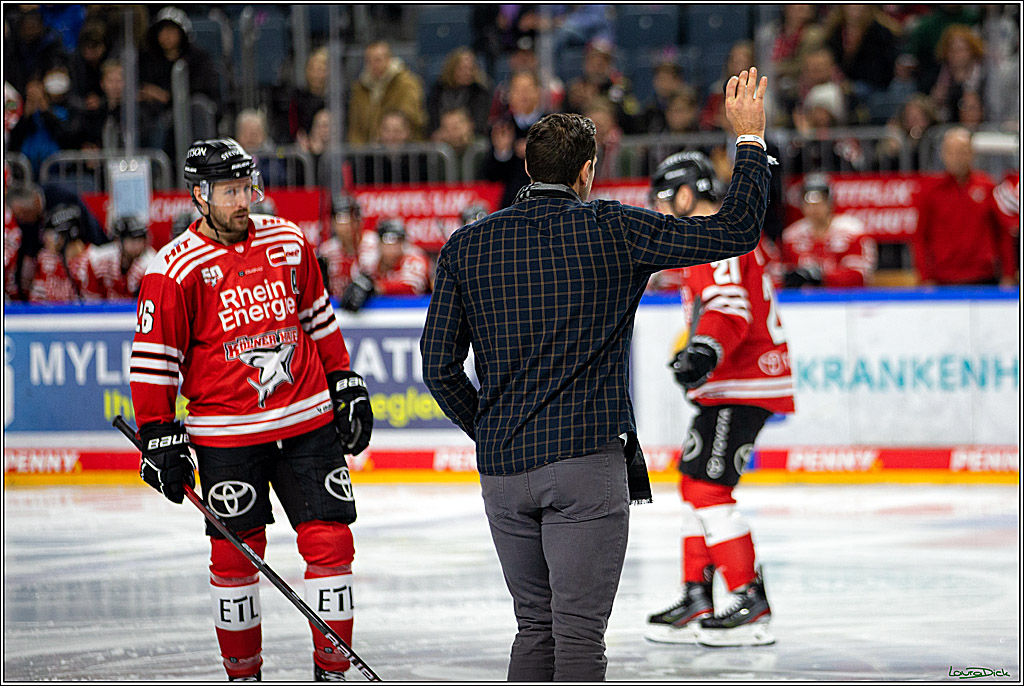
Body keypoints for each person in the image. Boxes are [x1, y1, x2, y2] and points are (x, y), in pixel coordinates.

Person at [421, 67, 772, 680]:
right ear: (588, 171)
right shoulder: (614, 229)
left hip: (504, 469)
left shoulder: (467, 246)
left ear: (529, 169)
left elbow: (438, 365)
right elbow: (735, 230)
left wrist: (490, 429)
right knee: (578, 636)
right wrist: (749, 141)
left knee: (535, 626)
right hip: (585, 461)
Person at [128, 137, 373, 682]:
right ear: (199, 195)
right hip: (227, 436)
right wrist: (158, 432)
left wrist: (344, 378)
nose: (244, 200)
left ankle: (332, 672)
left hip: (309, 421)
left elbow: (317, 316)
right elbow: (153, 362)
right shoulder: (172, 270)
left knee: (331, 541)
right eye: (230, 190)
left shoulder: (288, 241)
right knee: (235, 560)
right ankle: (244, 676)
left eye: (247, 187)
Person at [644, 150, 794, 648]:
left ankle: (750, 600)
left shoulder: (717, 235)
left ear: (687, 193)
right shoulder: (708, 237)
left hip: (743, 383)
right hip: (730, 383)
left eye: (665, 199)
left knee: (708, 491)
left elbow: (730, 308)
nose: (661, 210)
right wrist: (698, 354)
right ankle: (697, 595)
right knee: (693, 485)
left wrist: (702, 352)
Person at [913, 127, 1017, 286]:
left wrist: (1009, 273)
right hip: (943, 280)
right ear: (942, 154)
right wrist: (925, 276)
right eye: (951, 152)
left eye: (962, 151)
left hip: (984, 277)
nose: (957, 158)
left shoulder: (988, 187)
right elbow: (920, 237)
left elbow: (1002, 233)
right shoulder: (930, 191)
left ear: (971, 153)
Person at [779, 174, 876, 288]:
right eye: (809, 203)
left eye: (820, 202)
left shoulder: (853, 232)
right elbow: (781, 275)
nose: (815, 208)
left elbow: (859, 276)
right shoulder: (791, 236)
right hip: (804, 302)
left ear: (830, 203)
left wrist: (821, 277)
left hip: (846, 301)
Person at [347, 40, 426, 145]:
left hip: (403, 150)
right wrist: (358, 153)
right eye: (368, 61)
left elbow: (410, 117)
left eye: (377, 60)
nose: (373, 65)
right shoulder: (359, 89)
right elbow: (355, 127)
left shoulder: (406, 84)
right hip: (368, 154)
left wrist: (386, 135)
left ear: (389, 59)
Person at [76, 215, 155, 300]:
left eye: (140, 240)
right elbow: (91, 300)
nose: (137, 245)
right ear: (119, 240)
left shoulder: (151, 263)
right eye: (132, 240)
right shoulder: (100, 259)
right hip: (104, 312)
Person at [27, 202, 90, 302]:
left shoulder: (93, 261)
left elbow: (97, 308)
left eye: (50, 234)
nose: (45, 239)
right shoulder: (45, 259)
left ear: (63, 236)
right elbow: (36, 303)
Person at [358, 218, 430, 296]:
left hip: (414, 307)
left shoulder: (414, 259)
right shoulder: (370, 261)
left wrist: (377, 288)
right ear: (379, 243)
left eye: (397, 241)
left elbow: (411, 286)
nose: (392, 247)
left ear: (403, 243)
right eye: (387, 241)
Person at [318, 193, 367, 300]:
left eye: (352, 218)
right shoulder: (327, 251)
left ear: (360, 221)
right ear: (333, 223)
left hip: (373, 308)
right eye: (341, 219)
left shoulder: (372, 246)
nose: (347, 225)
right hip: (337, 308)